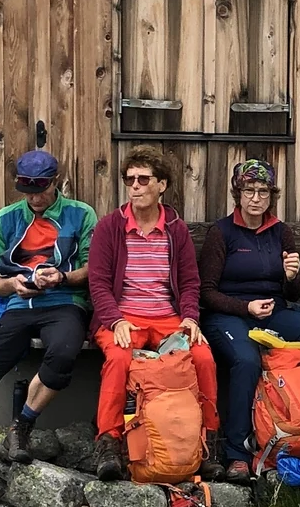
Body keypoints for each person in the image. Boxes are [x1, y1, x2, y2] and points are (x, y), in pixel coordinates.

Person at [0, 149, 97, 490]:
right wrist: (13, 284)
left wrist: (61, 278)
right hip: (19, 305)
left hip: (64, 302)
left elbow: (93, 268)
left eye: (41, 189)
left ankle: (21, 425)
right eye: (27, 190)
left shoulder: (81, 214)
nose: (35, 197)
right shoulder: (5, 219)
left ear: (55, 182)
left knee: (63, 351)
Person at [198, 158, 300, 478]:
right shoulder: (221, 233)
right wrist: (244, 308)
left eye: (263, 191)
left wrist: (292, 277)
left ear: (271, 195)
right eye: (249, 190)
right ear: (237, 193)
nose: (255, 198)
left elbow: (292, 295)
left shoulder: (280, 232)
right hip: (227, 314)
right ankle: (237, 452)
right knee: (246, 361)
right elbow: (206, 293)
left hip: (273, 311)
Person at [85, 147, 221, 482]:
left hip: (167, 318)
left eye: (143, 179)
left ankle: (207, 443)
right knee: (118, 360)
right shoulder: (109, 227)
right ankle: (109, 443)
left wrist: (190, 318)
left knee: (203, 358)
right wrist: (115, 320)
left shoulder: (175, 229)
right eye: (130, 179)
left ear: (161, 184)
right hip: (124, 315)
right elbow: (98, 282)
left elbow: (190, 282)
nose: (135, 186)